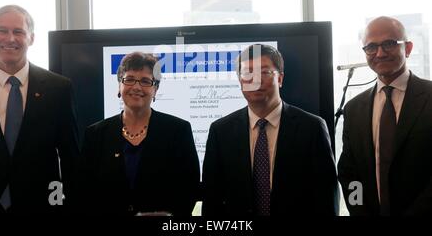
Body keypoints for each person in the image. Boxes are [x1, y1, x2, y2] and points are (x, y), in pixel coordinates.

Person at [202, 44, 338, 216]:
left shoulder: (312, 128)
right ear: (240, 81)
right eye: (247, 74)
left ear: (280, 78)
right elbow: (212, 200)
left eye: (264, 72)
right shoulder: (221, 131)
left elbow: (326, 198)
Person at [74, 52, 200, 215]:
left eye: (146, 81)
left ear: (155, 89)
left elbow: (188, 190)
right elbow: (83, 192)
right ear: (120, 85)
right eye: (129, 79)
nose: (137, 87)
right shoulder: (96, 134)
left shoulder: (178, 131)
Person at [0, 5, 80, 213]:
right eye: (2, 31)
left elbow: (70, 156)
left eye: (18, 31)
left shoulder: (59, 88)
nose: (10, 38)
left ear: (31, 38)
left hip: (40, 207)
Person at [338, 16, 432, 216]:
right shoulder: (354, 109)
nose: (379, 53)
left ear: (407, 48)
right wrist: (360, 211)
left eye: (389, 44)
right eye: (371, 47)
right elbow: (350, 173)